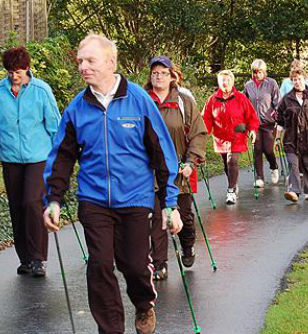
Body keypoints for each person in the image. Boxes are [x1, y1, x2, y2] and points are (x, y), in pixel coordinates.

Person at [42, 34, 183, 334]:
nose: (82, 66)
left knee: (133, 265)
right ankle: (110, 329)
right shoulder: (77, 108)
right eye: (80, 61)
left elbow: (163, 155)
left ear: (110, 62)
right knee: (100, 265)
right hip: (94, 200)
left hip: (135, 198)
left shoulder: (138, 100)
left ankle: (144, 304)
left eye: (90, 60)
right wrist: (53, 199)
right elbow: (62, 157)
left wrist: (171, 204)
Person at [0, 47, 60, 277]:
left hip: (38, 157)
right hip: (11, 158)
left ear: (27, 68)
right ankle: (26, 259)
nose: (13, 76)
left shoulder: (41, 91)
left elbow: (54, 125)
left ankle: (39, 258)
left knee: (32, 202)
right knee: (17, 206)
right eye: (9, 71)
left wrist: (61, 157)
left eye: (18, 71)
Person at [145, 56, 208, 278]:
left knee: (184, 216)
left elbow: (198, 133)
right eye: (154, 73)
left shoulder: (184, 101)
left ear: (172, 76)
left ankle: (187, 245)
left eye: (163, 72)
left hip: (179, 170)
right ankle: (160, 264)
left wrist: (191, 161)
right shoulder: (143, 100)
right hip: (150, 172)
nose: (158, 76)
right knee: (156, 216)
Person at [203, 70, 259, 205]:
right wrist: (203, 134)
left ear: (232, 82)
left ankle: (230, 191)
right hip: (220, 137)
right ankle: (233, 182)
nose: (225, 83)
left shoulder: (241, 98)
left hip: (237, 135)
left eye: (228, 80)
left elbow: (252, 116)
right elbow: (206, 118)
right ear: (218, 82)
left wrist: (252, 130)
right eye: (222, 80)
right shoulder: (212, 100)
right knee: (226, 164)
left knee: (232, 161)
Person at [277, 68, 308, 201]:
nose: (297, 82)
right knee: (293, 164)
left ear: (304, 79)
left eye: (299, 79)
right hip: (291, 139)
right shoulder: (286, 99)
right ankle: (293, 191)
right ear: (291, 81)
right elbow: (279, 120)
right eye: (294, 80)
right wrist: (277, 138)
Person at [243, 59, 280, 187]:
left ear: (264, 72)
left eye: (260, 72)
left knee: (268, 149)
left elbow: (277, 102)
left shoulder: (271, 83)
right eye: (255, 72)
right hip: (254, 123)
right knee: (257, 149)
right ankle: (259, 177)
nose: (257, 74)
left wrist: (276, 114)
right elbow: (245, 103)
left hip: (268, 122)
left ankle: (273, 166)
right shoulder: (248, 85)